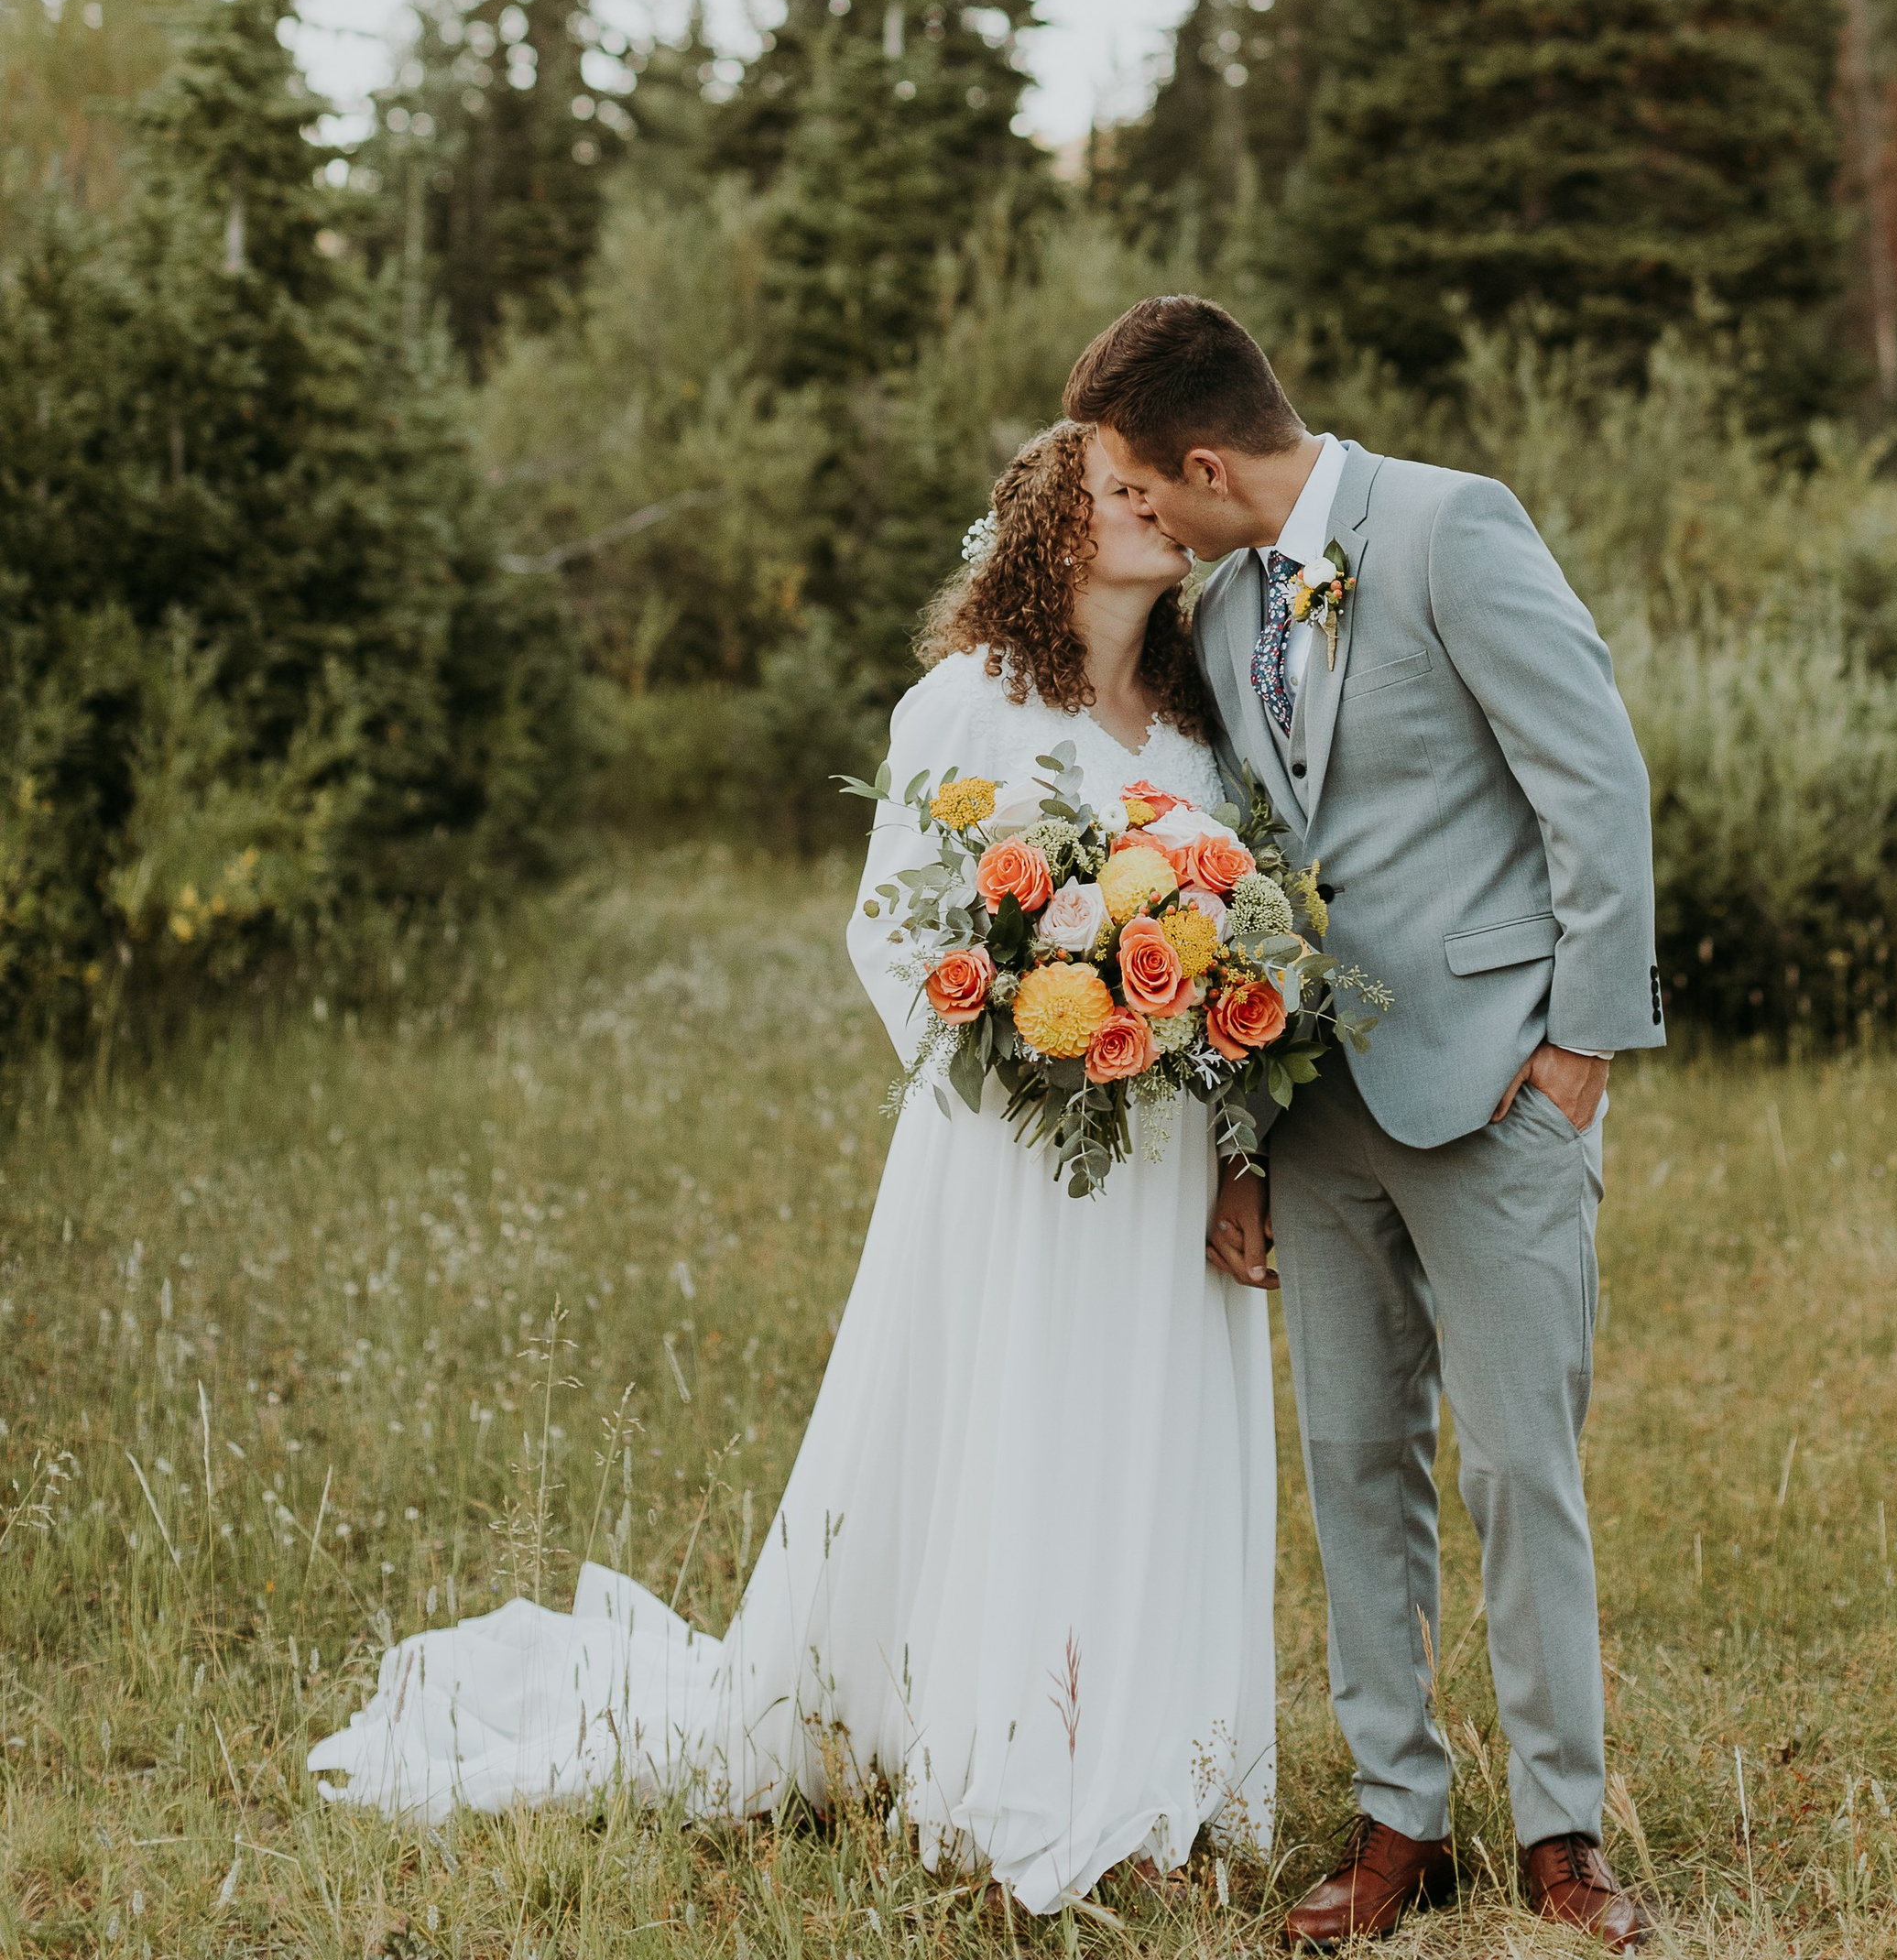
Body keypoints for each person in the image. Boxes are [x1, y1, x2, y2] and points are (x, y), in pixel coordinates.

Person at [309, 421, 1276, 1912]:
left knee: (1151, 1427)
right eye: (1116, 491)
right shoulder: (964, 705)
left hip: (1164, 1154)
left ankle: (1158, 1767)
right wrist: (1024, 1038)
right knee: (1020, 1425)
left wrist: (1233, 1140)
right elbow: (892, 928)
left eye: (1159, 489)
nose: (1150, 507)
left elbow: (1246, 938)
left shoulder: (1207, 726)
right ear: (1050, 528)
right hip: (1016, 1151)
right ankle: (1011, 1761)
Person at [1066, 294, 1662, 1952]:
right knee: (1351, 1465)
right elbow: (1241, 865)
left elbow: (1592, 780)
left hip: (1497, 1093)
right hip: (1316, 1106)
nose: (1140, 521)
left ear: (1201, 461)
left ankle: (1564, 1832)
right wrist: (1247, 1138)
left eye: (1138, 488)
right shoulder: (1233, 597)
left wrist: (1583, 1047)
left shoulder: (1453, 528)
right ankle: (1399, 1812)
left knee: (1520, 1469)